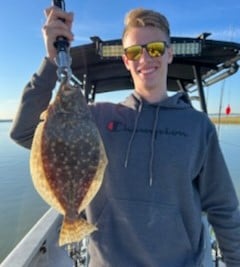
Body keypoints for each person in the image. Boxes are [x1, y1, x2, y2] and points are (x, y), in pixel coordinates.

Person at [10, 6, 240, 267]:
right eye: (134, 51)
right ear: (126, 60)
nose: (145, 58)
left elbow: (223, 207)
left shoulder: (199, 127)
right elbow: (25, 132)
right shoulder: (96, 119)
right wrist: (51, 62)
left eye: (155, 48)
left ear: (169, 54)